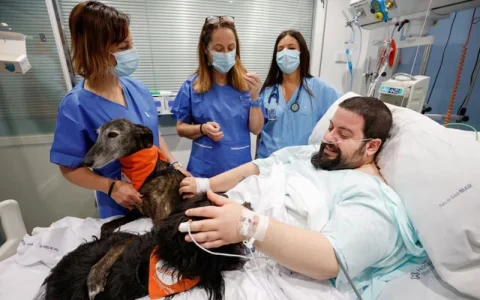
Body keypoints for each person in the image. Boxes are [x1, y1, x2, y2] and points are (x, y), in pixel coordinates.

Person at [178, 97, 426, 297]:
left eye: (344, 134)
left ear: (371, 146)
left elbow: (330, 259)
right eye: (330, 127)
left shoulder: (371, 197)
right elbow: (258, 167)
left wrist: (248, 225)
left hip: (261, 263)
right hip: (225, 229)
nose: (329, 138)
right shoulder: (311, 154)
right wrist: (205, 184)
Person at [50, 1, 190, 219]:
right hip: (124, 207)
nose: (131, 53)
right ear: (96, 50)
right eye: (123, 47)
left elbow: (153, 134)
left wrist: (174, 164)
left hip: (162, 198)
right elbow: (69, 167)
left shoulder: (138, 89)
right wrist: (111, 187)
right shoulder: (75, 105)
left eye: (131, 45)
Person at [171, 16, 264, 178]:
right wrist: (202, 129)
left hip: (239, 170)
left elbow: (256, 129)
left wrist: (255, 96)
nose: (226, 54)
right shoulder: (192, 86)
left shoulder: (247, 84)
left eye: (231, 47)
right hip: (204, 170)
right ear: (206, 50)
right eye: (219, 49)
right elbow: (180, 128)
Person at [256, 30, 342, 159]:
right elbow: (259, 131)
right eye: (280, 49)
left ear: (302, 53)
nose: (285, 53)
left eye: (291, 48)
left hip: (302, 164)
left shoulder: (320, 89)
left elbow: (347, 114)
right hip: (268, 162)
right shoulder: (268, 92)